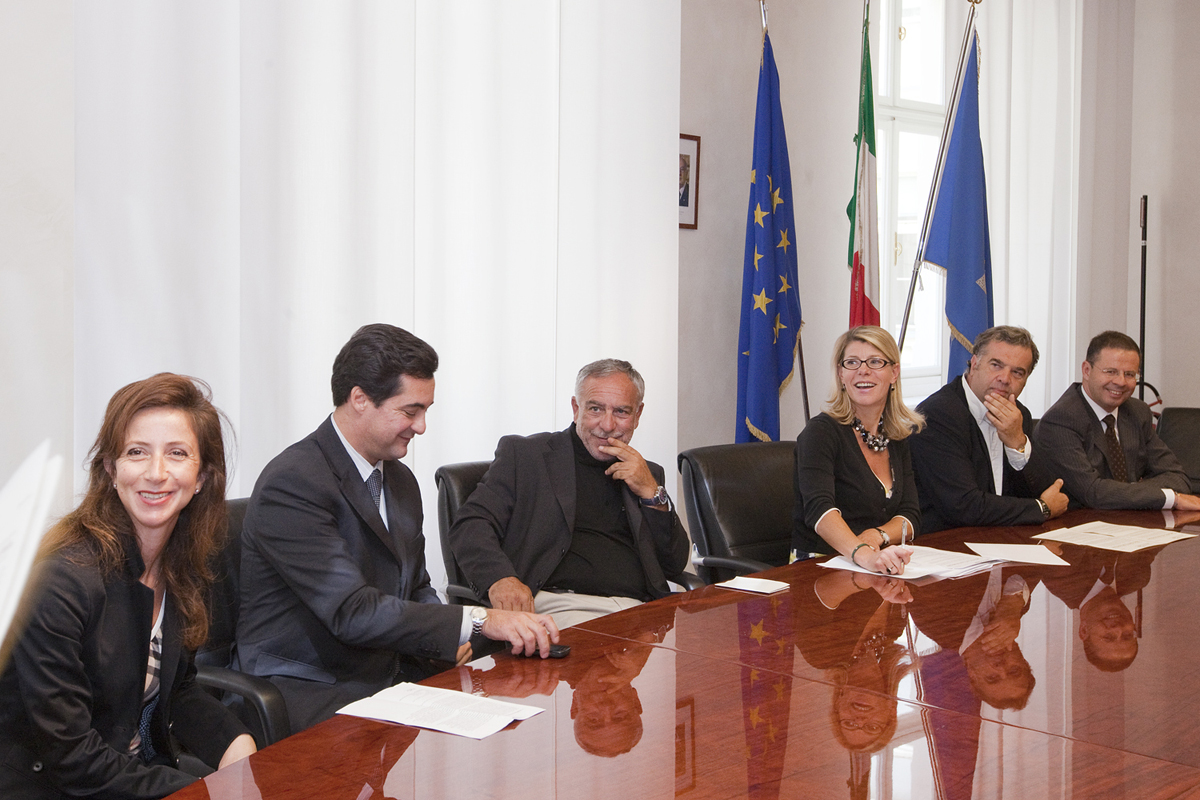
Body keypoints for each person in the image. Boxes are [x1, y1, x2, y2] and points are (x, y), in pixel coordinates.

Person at [235, 324, 560, 731]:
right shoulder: (294, 482)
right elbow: (351, 613)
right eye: (410, 411)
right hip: (311, 689)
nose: (421, 426)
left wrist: (454, 637)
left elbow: (416, 585)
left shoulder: (400, 481)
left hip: (392, 672)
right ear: (359, 399)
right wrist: (477, 620)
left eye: (426, 410)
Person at [0, 374, 256, 798]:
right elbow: (70, 756)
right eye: (137, 452)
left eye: (177, 453)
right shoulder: (60, 578)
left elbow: (179, 688)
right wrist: (200, 792)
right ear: (110, 469)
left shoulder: (181, 563)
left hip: (129, 773)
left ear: (203, 477)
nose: (156, 473)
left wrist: (237, 744)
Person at [447, 359, 690, 629]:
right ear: (576, 408)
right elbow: (471, 525)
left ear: (638, 415)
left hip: (640, 610)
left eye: (621, 412)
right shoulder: (527, 456)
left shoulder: (645, 472)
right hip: (561, 606)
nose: (607, 425)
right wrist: (500, 579)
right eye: (595, 409)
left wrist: (651, 492)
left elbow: (674, 564)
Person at [909, 325, 1068, 533]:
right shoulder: (938, 414)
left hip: (1000, 538)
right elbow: (963, 506)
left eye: (1017, 372)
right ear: (975, 363)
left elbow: (1049, 490)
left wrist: (1017, 442)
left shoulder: (1019, 414)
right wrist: (1041, 508)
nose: (1005, 378)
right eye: (996, 365)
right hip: (945, 541)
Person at [792, 326, 923, 574]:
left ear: (894, 372)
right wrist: (865, 554)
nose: (863, 370)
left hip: (876, 564)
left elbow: (910, 515)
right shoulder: (820, 433)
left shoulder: (895, 436)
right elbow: (821, 512)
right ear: (841, 373)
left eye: (875, 362)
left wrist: (876, 536)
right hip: (819, 567)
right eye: (852, 362)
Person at [1036, 330, 1200, 510]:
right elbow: (1093, 492)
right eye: (1111, 371)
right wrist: (1170, 497)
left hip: (1131, 525)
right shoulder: (1061, 420)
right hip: (1079, 526)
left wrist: (1127, 493)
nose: (1121, 382)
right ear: (1086, 370)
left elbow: (1177, 477)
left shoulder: (1137, 412)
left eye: (1129, 374)